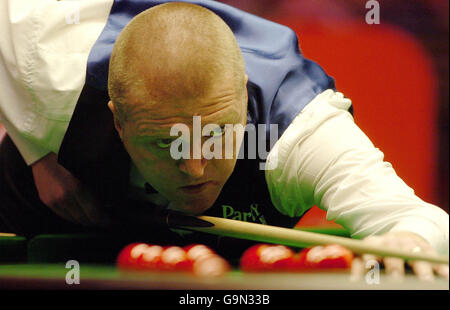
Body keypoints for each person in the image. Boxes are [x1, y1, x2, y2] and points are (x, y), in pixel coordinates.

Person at [0, 0, 448, 281]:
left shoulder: (298, 132)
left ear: (240, 102)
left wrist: (408, 237)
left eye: (215, 134)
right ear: (117, 122)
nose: (194, 167)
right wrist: (35, 146)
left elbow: (421, 222)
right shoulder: (56, 75)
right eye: (165, 143)